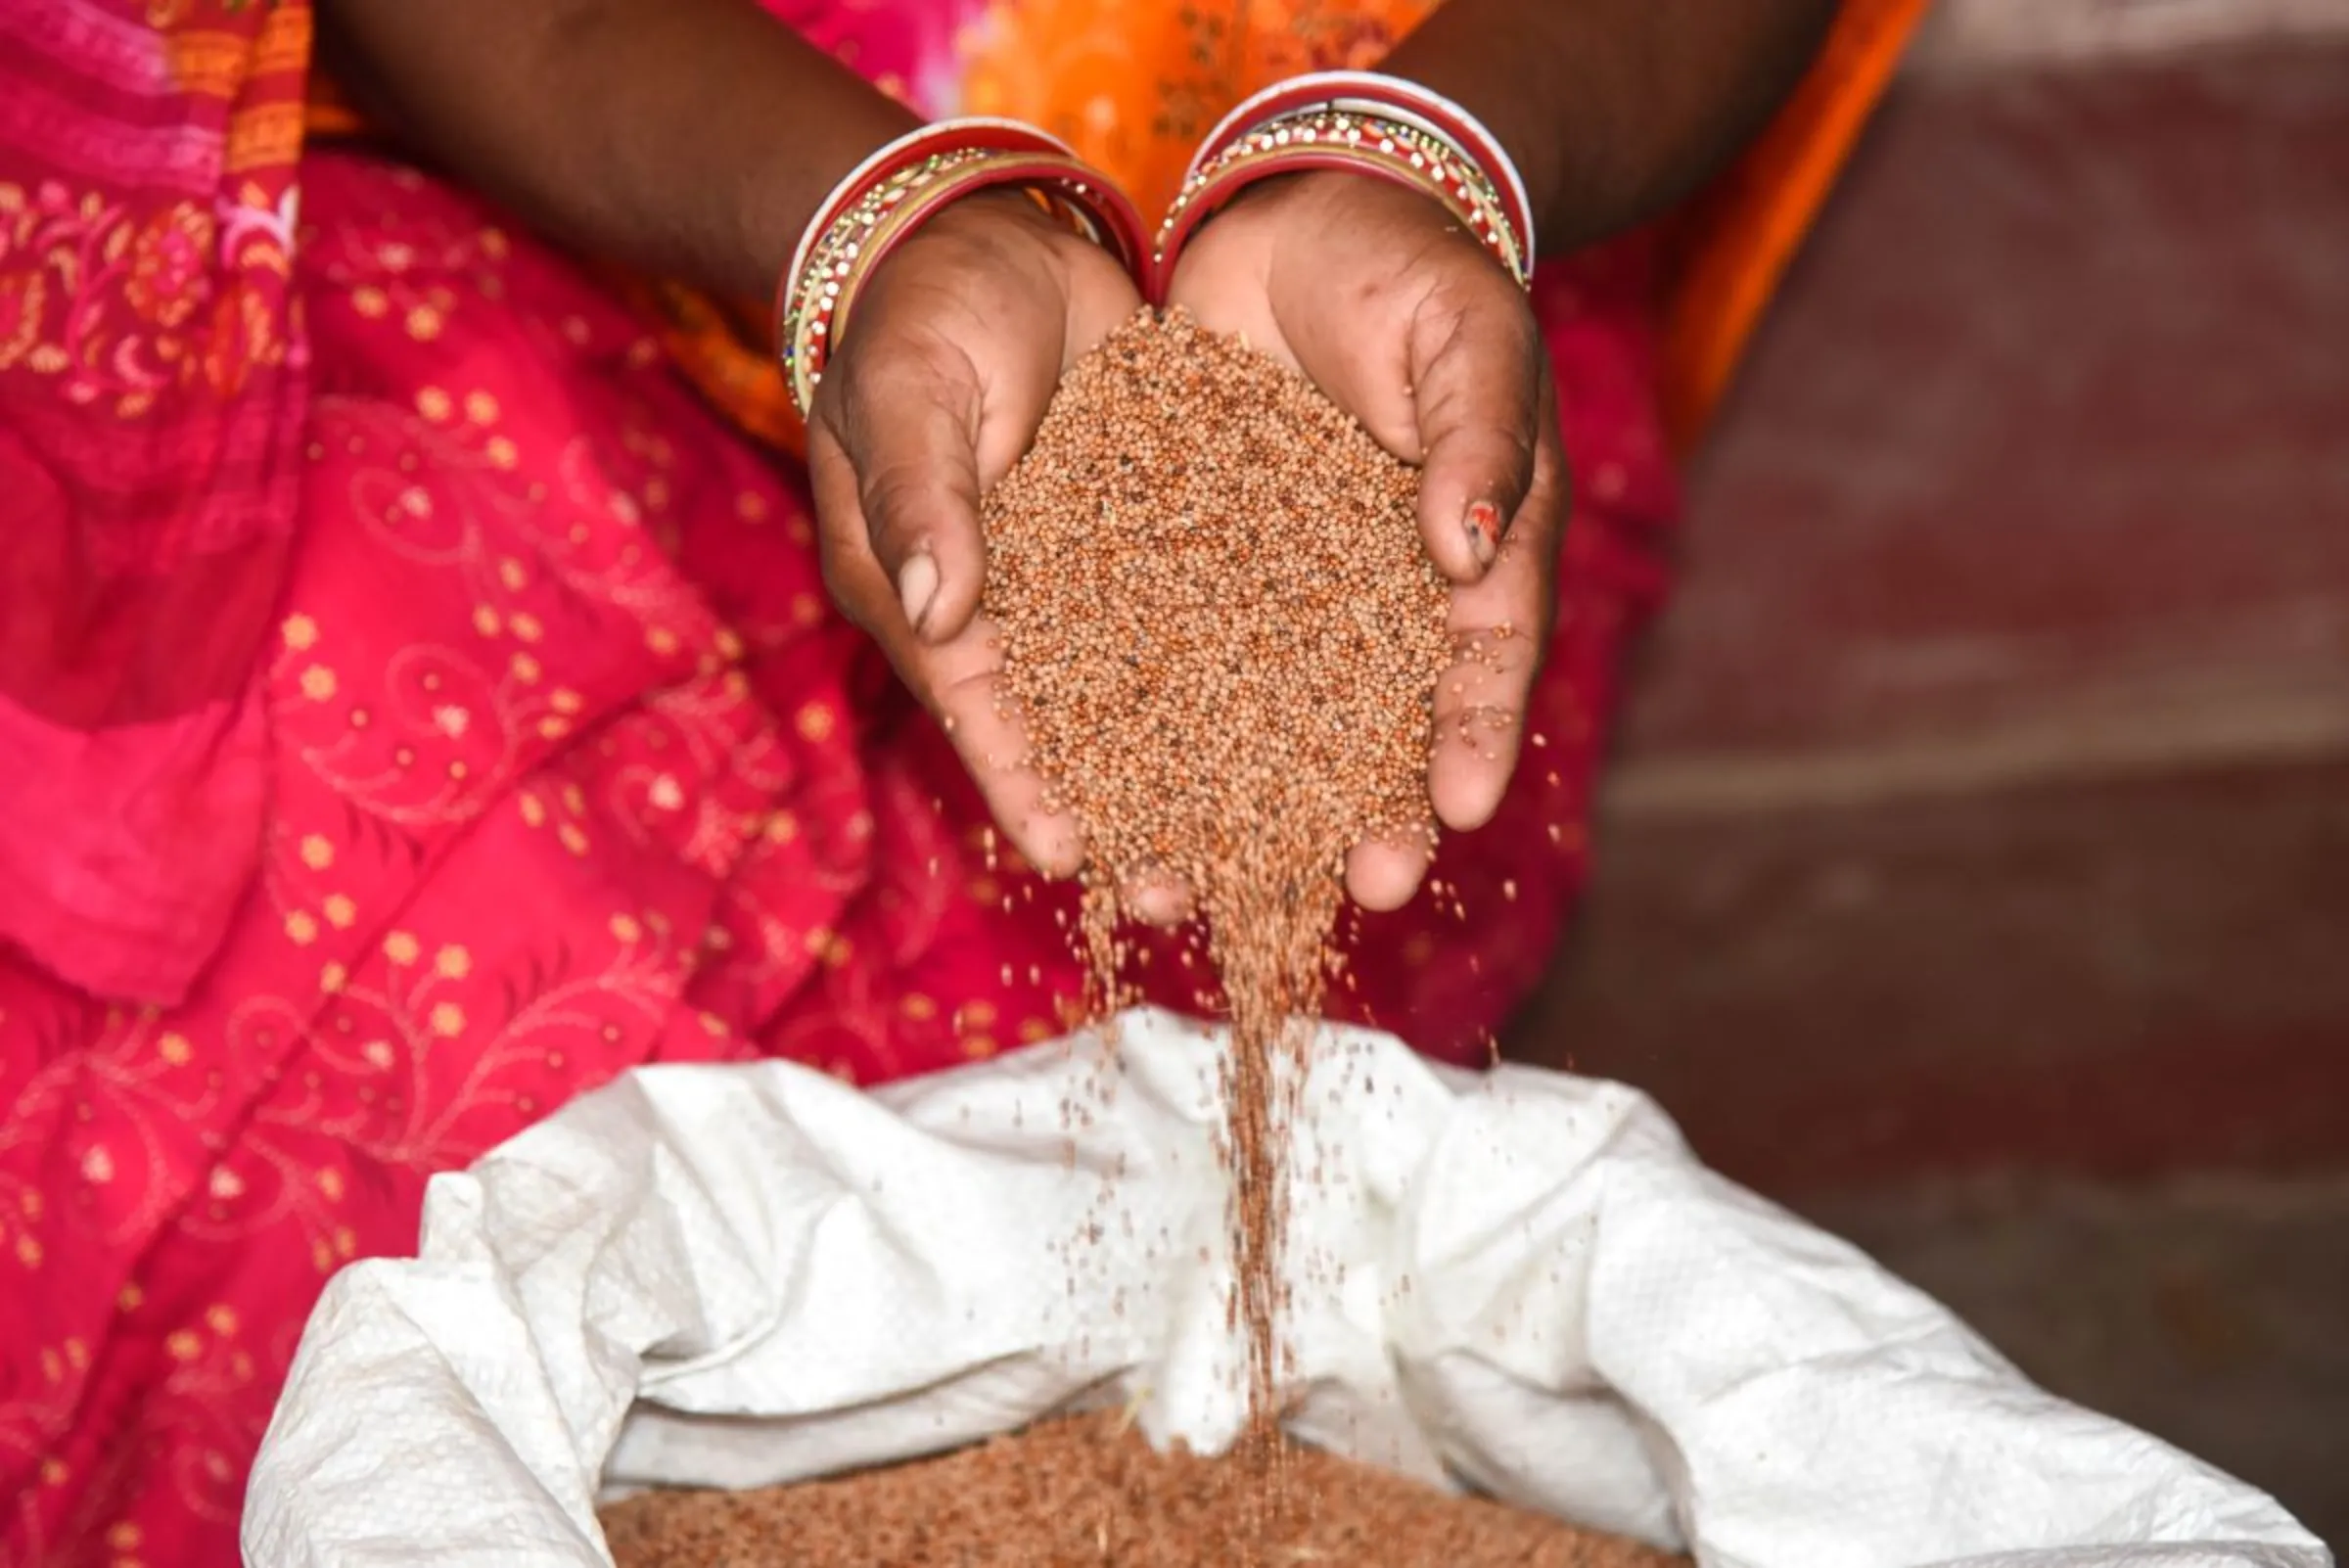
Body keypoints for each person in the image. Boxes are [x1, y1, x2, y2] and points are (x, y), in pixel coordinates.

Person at [0, 0, 1924, 1558]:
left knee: (1137, 1033)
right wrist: (870, 222)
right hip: (632, 175)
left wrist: (1424, 161)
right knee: (325, 965)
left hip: (1405, 297)